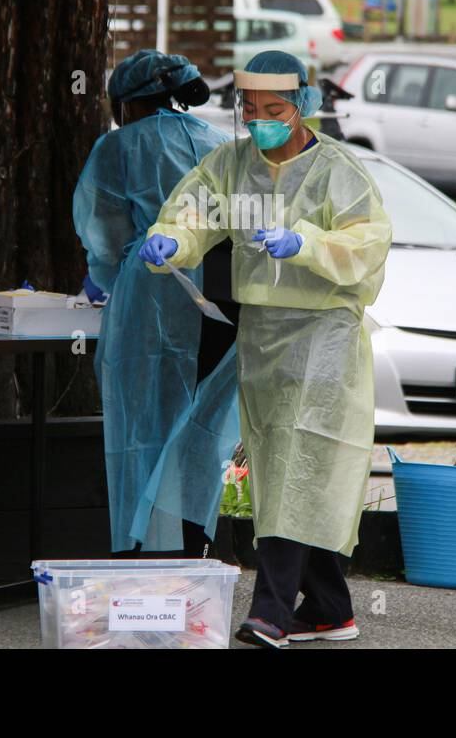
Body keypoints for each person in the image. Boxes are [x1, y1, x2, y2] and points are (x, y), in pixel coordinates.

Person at [138, 50, 392, 647]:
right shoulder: (231, 164)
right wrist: (168, 241)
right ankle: (330, 607)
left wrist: (303, 241)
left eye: (273, 110)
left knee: (302, 461)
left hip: (324, 334)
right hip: (263, 334)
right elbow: (192, 211)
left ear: (302, 106)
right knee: (284, 468)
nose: (259, 122)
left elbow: (369, 244)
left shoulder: (338, 170)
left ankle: (271, 613)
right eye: (249, 110)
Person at [72, 50, 240, 558]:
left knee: (141, 427)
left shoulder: (119, 147)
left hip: (152, 296)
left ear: (127, 103)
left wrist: (104, 278)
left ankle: (140, 549)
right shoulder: (219, 143)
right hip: (222, 304)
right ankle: (193, 548)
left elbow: (102, 232)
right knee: (197, 430)